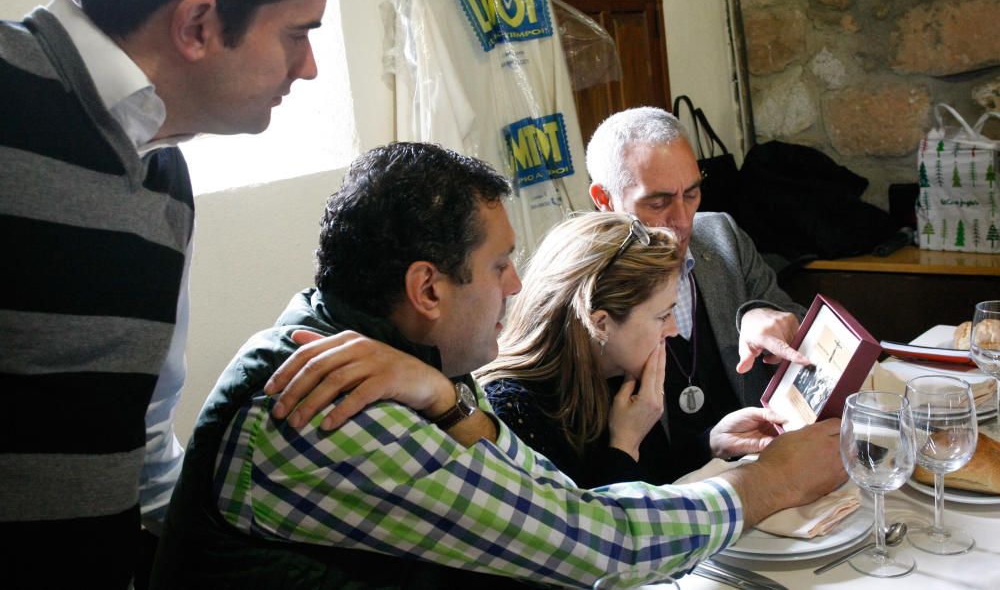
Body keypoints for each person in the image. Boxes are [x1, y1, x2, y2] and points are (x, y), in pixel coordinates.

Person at [153, 142, 845, 588]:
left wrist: (450, 400)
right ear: (428, 288)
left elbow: (542, 493)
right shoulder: (328, 403)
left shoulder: (384, 355)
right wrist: (769, 484)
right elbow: (590, 542)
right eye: (499, 265)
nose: (517, 286)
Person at [0, 0, 359, 587]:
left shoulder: (164, 175)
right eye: (296, 33)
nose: (309, 65)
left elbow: (141, 443)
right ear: (198, 25)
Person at [477, 213, 785, 488]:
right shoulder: (513, 413)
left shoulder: (615, 369)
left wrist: (712, 444)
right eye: (663, 316)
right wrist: (625, 442)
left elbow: (657, 481)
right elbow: (595, 535)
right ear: (600, 324)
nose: (673, 331)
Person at [585, 106, 809, 457]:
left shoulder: (722, 236)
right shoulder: (586, 290)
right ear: (604, 199)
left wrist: (762, 314)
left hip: (757, 457)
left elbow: (800, 331)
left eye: (691, 194)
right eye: (658, 202)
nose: (683, 220)